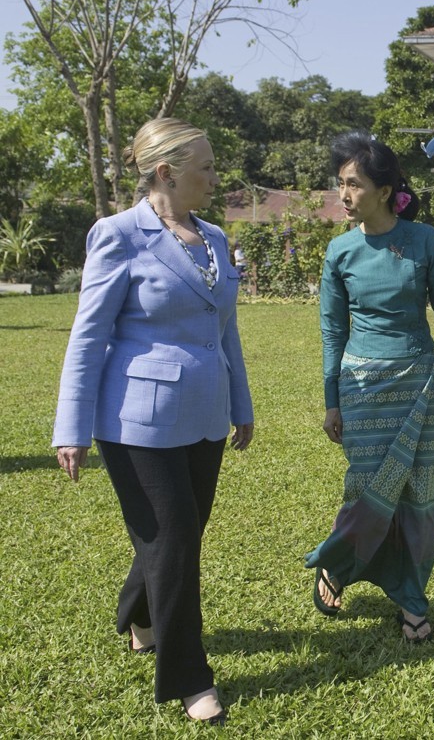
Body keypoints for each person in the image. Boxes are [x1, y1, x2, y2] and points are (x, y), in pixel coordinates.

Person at [52, 118, 254, 726]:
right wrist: (72, 425)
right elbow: (89, 336)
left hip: (205, 414)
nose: (215, 178)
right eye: (206, 168)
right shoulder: (118, 235)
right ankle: (190, 677)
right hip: (136, 420)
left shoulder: (214, 238)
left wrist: (240, 403)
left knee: (177, 535)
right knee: (174, 542)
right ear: (166, 172)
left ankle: (139, 617)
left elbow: (227, 331)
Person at [306, 131, 434, 645]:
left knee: (420, 497)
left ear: (383, 188)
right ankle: (338, 567)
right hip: (361, 388)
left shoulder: (422, 241)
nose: (344, 195)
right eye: (340, 185)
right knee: (366, 492)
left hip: (416, 384)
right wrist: (332, 400)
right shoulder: (340, 252)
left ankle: (412, 601)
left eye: (353, 184)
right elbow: (332, 330)